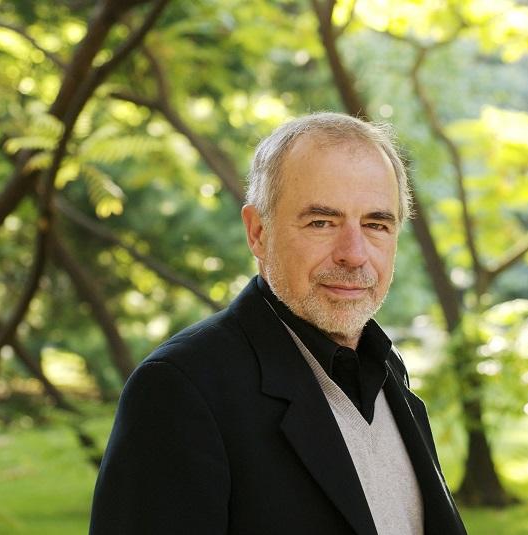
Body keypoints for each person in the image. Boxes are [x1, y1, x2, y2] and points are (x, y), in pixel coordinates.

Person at [89, 112, 467, 535]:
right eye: (322, 222)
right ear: (257, 232)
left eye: (376, 224)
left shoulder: (385, 369)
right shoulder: (181, 390)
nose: (354, 253)